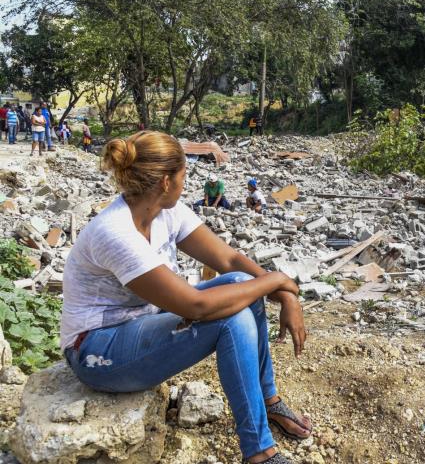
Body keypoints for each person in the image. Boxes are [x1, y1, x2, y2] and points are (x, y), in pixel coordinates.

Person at [60, 131, 312, 464]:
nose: (185, 186)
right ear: (166, 182)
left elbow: (230, 261)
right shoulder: (115, 232)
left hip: (142, 323)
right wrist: (278, 279)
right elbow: (197, 306)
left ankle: (268, 400)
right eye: (183, 178)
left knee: (238, 283)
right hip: (95, 350)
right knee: (230, 316)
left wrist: (286, 293)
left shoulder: (165, 212)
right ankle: (260, 453)